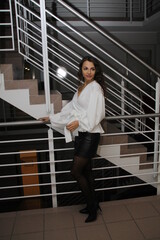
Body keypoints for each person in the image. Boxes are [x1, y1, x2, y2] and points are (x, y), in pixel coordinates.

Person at [39, 56, 106, 222]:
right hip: (81, 134)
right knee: (86, 171)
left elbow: (97, 114)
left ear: (95, 70)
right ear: (81, 70)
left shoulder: (95, 88)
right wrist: (51, 118)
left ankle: (92, 208)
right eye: (86, 68)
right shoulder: (82, 87)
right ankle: (94, 204)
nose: (89, 72)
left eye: (92, 68)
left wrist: (79, 122)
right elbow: (70, 109)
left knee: (75, 171)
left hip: (90, 134)